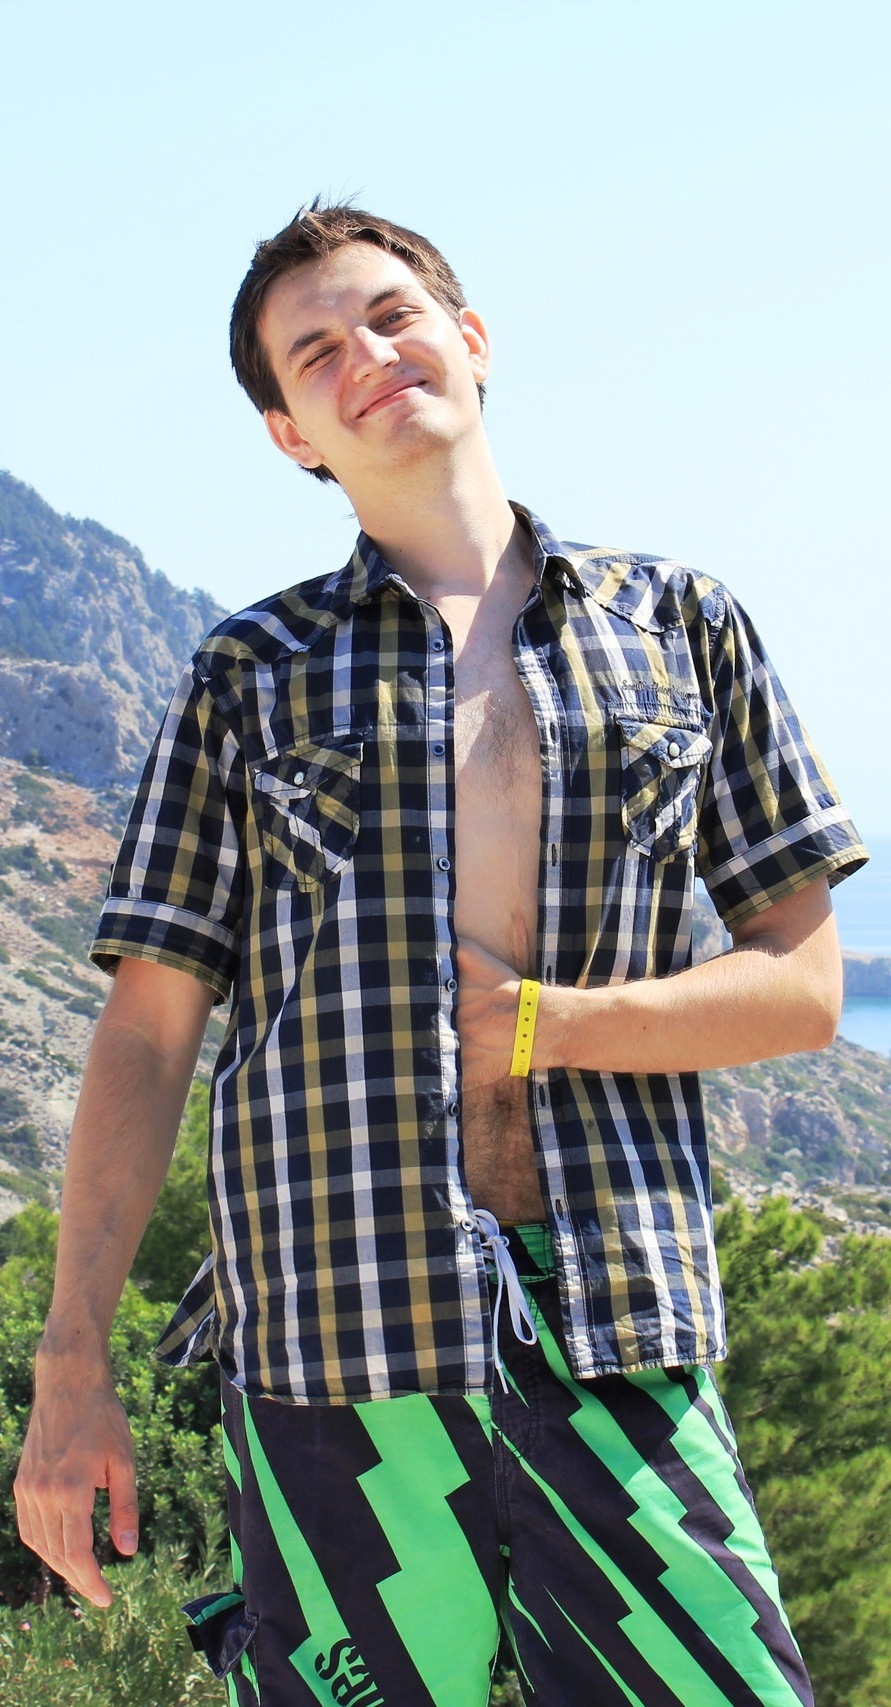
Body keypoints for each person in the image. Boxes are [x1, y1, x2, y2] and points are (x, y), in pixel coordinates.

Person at [15, 200, 867, 1707]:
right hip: (333, 1352)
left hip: (620, 1323)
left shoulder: (682, 627)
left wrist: (549, 1023)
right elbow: (146, 1036)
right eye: (317, 351)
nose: (369, 355)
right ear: (291, 434)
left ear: (470, 339)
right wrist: (72, 1364)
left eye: (393, 314)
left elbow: (804, 989)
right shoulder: (250, 674)